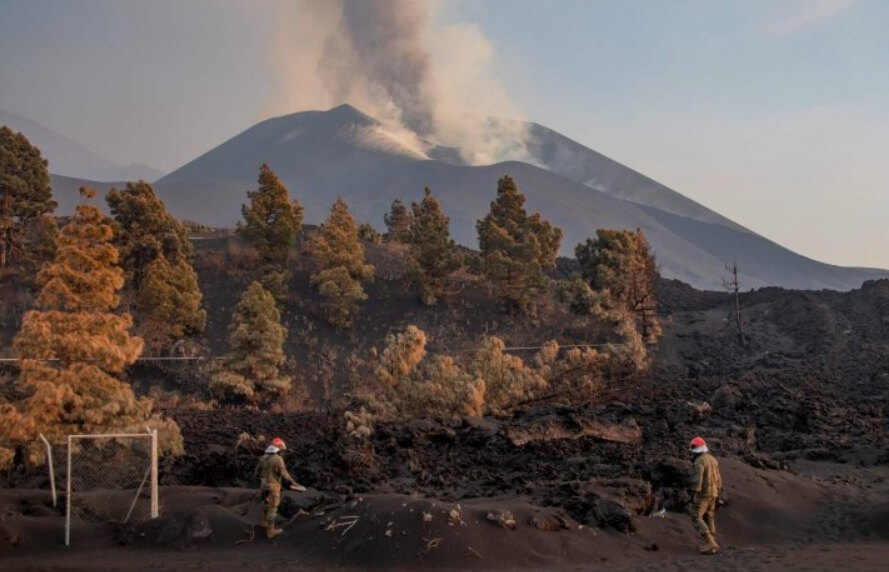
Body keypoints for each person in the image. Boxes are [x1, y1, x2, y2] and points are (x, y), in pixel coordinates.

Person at [255, 437, 305, 538]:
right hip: (273, 485)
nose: (282, 452)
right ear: (278, 448)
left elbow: (257, 472)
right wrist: (294, 483)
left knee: (265, 502)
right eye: (281, 450)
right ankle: (270, 531)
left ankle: (264, 522)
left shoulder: (263, 458)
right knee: (273, 506)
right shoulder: (278, 459)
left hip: (263, 484)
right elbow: (284, 474)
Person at [688, 435, 722, 555]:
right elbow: (718, 478)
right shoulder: (713, 459)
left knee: (696, 516)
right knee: (709, 516)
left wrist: (693, 492)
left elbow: (698, 479)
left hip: (704, 494)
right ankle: (712, 541)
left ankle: (711, 542)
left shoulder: (699, 461)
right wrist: (718, 491)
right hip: (714, 493)